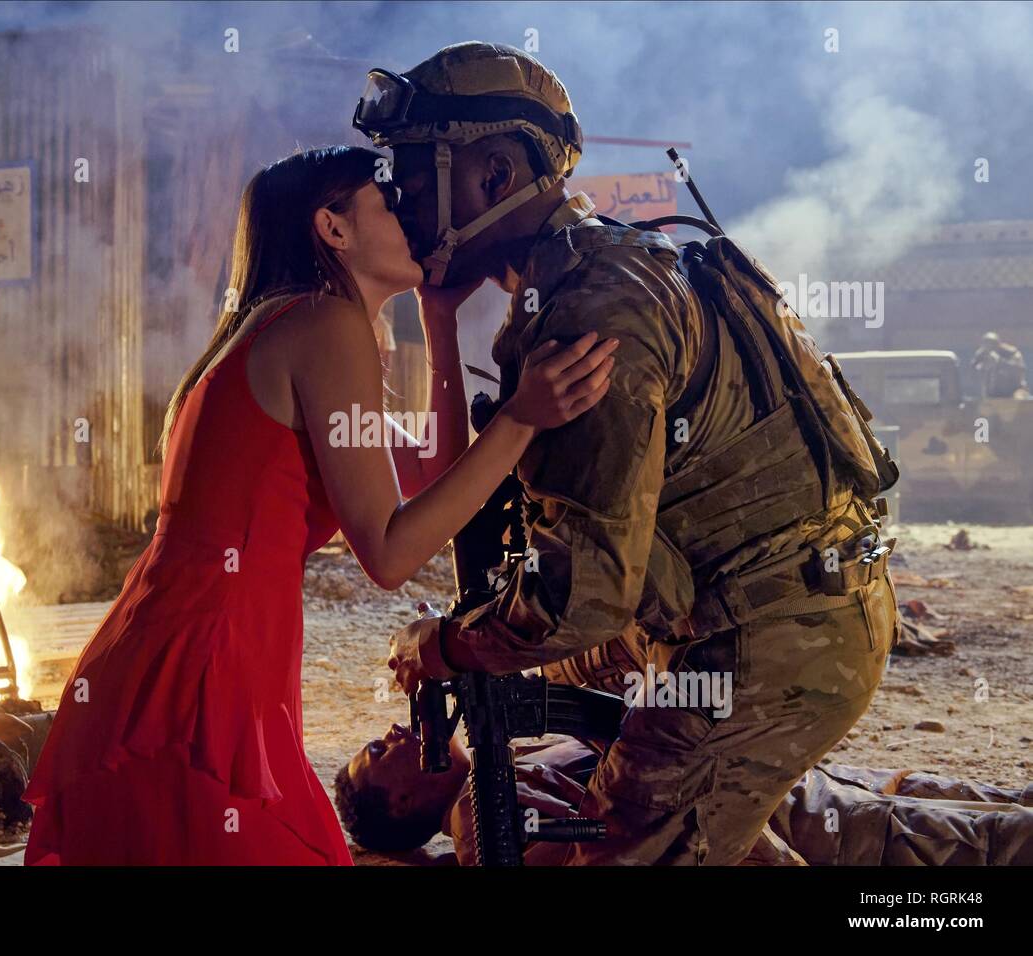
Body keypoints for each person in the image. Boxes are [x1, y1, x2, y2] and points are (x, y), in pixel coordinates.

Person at [356, 41, 900, 865]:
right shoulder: (596, 268)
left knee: (627, 844)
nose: (398, 199)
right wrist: (437, 317)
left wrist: (443, 645)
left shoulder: (593, 311)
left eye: (413, 172)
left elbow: (582, 598)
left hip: (764, 638)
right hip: (754, 607)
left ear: (495, 176)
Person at [21, 145, 618, 865]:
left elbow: (433, 469)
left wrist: (438, 320)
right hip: (202, 660)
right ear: (333, 229)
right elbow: (390, 554)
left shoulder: (293, 325)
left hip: (181, 643)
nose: (410, 215)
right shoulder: (324, 325)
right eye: (387, 204)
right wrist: (521, 418)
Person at [336, 723, 1033, 866]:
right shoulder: (481, 820)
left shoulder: (502, 758)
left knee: (997, 810)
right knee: (1000, 844)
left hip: (804, 790)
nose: (395, 730)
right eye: (379, 751)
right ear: (401, 804)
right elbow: (604, 838)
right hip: (806, 826)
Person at [970, 331, 1029, 399]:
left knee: (1019, 399)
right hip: (993, 391)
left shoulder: (1011, 353)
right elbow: (973, 369)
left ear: (998, 344)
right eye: (986, 344)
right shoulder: (982, 354)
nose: (990, 347)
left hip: (1015, 389)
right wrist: (981, 365)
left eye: (992, 344)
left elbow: (1020, 369)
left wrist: (1000, 361)